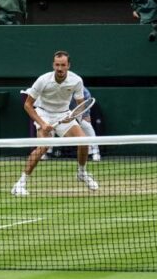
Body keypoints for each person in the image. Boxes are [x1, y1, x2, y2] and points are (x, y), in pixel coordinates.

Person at [11, 51, 98, 197]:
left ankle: (82, 173)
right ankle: (20, 184)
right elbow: (27, 105)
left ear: (68, 65)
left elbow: (80, 105)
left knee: (84, 142)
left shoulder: (76, 80)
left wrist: (72, 116)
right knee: (43, 147)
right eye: (57, 65)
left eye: (63, 65)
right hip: (43, 113)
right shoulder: (43, 80)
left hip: (64, 113)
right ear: (53, 65)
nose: (60, 68)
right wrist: (42, 123)